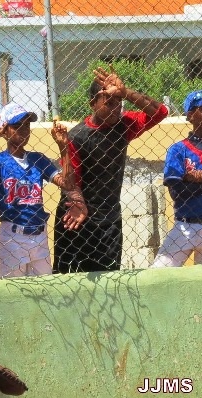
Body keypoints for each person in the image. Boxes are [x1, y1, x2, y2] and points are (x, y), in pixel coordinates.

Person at [53, 66, 168, 273]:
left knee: (108, 279)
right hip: (77, 216)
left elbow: (160, 112)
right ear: (93, 104)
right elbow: (72, 182)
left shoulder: (124, 125)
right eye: (109, 102)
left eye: (118, 102)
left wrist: (127, 92)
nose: (115, 108)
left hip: (109, 220)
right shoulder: (77, 137)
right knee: (70, 282)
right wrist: (79, 203)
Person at [0, 102, 87, 278]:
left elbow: (67, 184)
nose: (23, 130)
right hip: (12, 236)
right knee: (13, 291)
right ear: (4, 131)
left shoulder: (38, 159)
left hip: (39, 235)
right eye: (16, 126)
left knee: (45, 288)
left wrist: (63, 146)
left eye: (26, 126)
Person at [151, 91, 202, 267]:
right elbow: (176, 192)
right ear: (190, 115)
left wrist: (199, 179)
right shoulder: (178, 150)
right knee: (159, 270)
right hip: (184, 225)